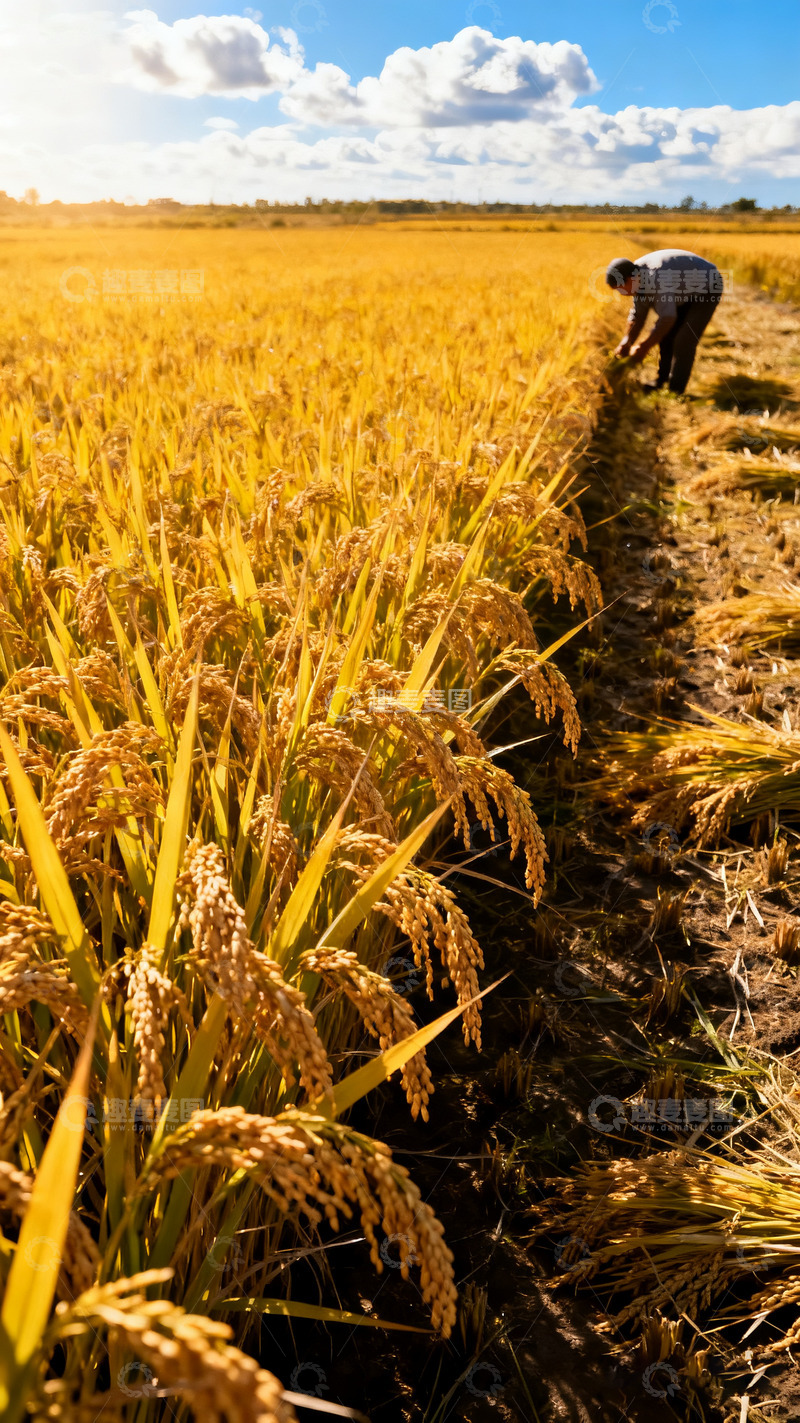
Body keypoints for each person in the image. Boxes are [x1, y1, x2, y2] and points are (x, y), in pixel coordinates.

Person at [605, 249, 723, 394]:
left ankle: (675, 391)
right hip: (682, 291)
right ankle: (661, 381)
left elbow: (668, 317)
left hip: (707, 287)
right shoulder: (637, 279)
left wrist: (644, 347)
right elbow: (638, 317)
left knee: (684, 340)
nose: (621, 293)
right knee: (666, 337)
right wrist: (626, 342)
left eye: (621, 289)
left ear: (630, 279)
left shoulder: (656, 279)